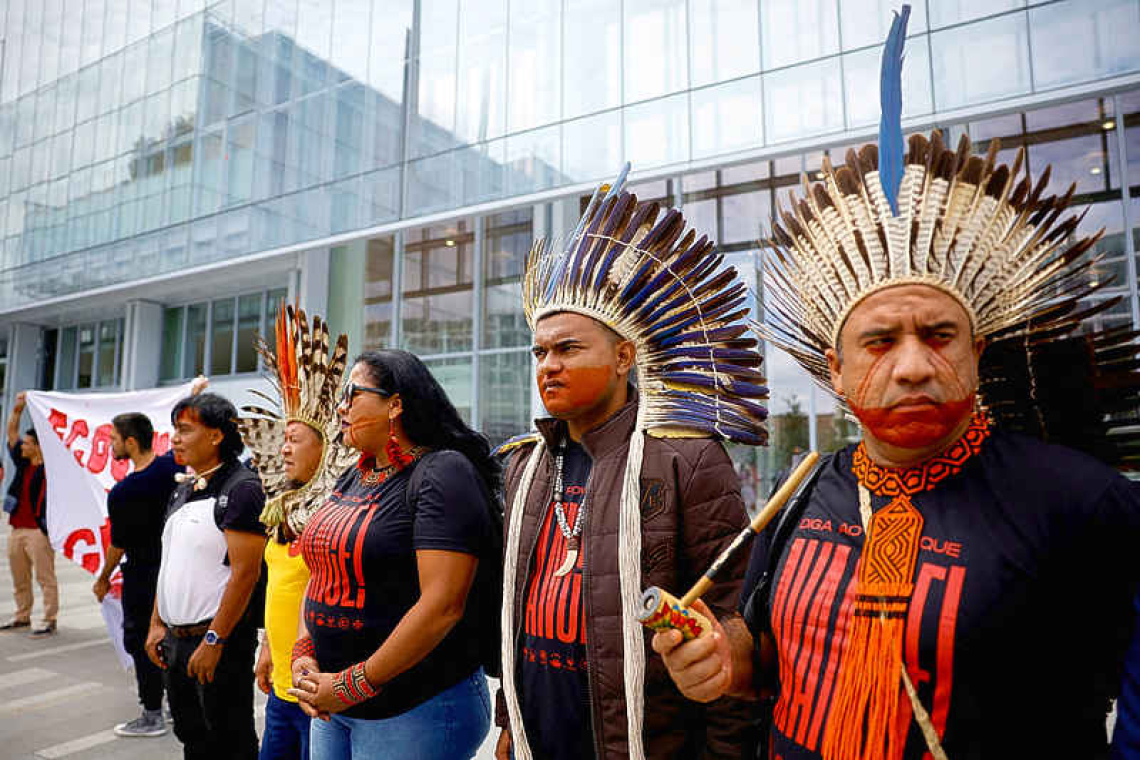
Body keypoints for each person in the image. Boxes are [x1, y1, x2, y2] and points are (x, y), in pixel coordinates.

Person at [651, 75, 1140, 760]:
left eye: (938, 335)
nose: (911, 365)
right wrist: (719, 660)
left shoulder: (1079, 500)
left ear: (978, 352)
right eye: (880, 342)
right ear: (836, 369)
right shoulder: (804, 489)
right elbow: (764, 649)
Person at [493, 172, 767, 760]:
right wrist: (508, 723)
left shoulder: (687, 460)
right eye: (540, 351)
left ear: (624, 357)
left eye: (568, 349)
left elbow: (731, 625)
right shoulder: (524, 466)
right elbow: (513, 606)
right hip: (541, 733)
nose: (548, 366)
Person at [288, 349, 499, 760]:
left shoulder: (441, 473)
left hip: (413, 706)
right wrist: (304, 654)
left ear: (395, 404)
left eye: (353, 394)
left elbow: (443, 605)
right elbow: (321, 571)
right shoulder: (356, 473)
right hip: (333, 704)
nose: (341, 407)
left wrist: (354, 684)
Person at [239, 306, 355, 760]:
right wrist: (268, 645)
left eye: (295, 439)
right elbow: (281, 588)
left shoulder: (335, 511)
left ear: (324, 446)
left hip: (317, 684)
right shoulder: (283, 508)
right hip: (282, 685)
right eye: (282, 439)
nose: (284, 447)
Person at [145, 392, 267, 760]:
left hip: (218, 642)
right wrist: (156, 625)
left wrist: (214, 641)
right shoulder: (183, 489)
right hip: (176, 642)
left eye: (184, 430)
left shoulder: (242, 488)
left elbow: (246, 574)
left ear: (216, 436)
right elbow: (170, 564)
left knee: (230, 740)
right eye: (174, 430)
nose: (175, 439)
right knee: (191, 736)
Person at [94, 376, 208, 738]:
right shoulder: (170, 471)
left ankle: (151, 714)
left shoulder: (125, 491)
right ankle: (175, 705)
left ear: (130, 442)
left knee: (141, 640)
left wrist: (102, 577)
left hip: (143, 577)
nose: (110, 445)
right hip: (175, 572)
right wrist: (194, 396)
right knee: (171, 637)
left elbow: (119, 543)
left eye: (113, 439)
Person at [1, 391, 57, 637]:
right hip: (16, 529)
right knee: (19, 577)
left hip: (38, 531)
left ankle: (48, 618)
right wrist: (17, 410)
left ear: (36, 447)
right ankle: (22, 615)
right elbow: (11, 434)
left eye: (26, 443)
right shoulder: (22, 463)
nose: (21, 445)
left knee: (45, 577)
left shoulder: (51, 470)